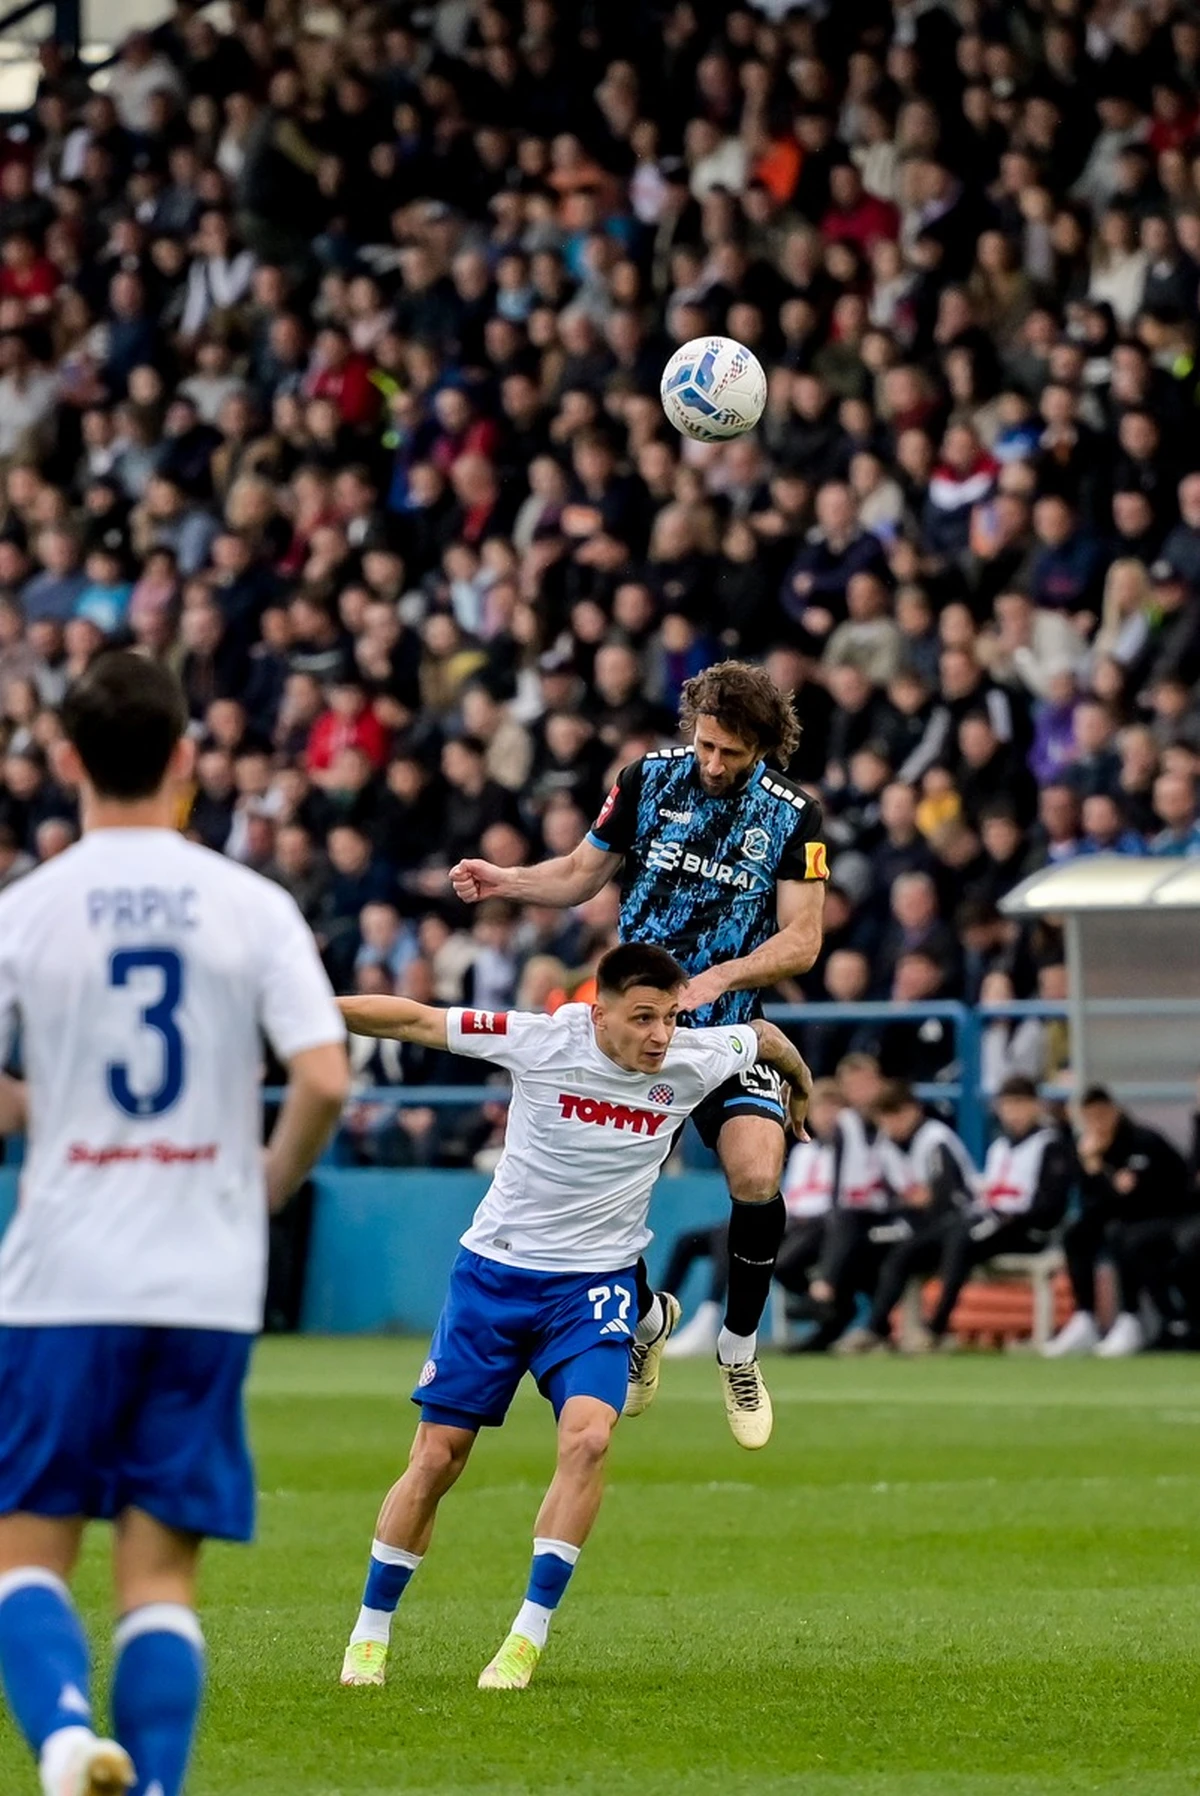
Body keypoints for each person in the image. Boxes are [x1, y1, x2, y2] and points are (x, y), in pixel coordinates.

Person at [0, 652, 349, 1796]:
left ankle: (63, 1739)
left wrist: (42, 1108)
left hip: (61, 1277)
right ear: (187, 758)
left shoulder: (28, 908)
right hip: (204, 1277)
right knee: (158, 1581)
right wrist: (265, 1185)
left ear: (66, 760)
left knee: (24, 1556)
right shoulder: (251, 904)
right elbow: (324, 1076)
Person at [334, 943, 812, 1691]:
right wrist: (302, 1013)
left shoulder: (694, 1056)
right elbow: (417, 1020)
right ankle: (370, 1631)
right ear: (599, 1015)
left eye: (670, 1017)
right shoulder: (542, 1040)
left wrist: (799, 1091)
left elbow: (766, 1038)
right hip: (494, 1278)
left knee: (588, 1440)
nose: (660, 1035)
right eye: (643, 1018)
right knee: (437, 1459)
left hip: (592, 1287)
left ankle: (526, 1637)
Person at [450, 661, 828, 1448]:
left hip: (725, 1027)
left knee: (757, 1173)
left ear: (763, 746)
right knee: (598, 1195)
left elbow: (804, 938)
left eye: (731, 752)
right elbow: (580, 875)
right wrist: (505, 880)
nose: (713, 762)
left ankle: (738, 1349)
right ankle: (648, 1316)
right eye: (706, 744)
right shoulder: (646, 779)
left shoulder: (795, 815)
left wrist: (724, 975)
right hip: (632, 1030)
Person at [893, 1077, 1074, 1352]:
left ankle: (937, 1326)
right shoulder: (999, 1146)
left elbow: (1050, 1206)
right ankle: (882, 1327)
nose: (1012, 1113)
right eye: (1007, 1105)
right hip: (988, 1219)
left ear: (1035, 1106)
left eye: (1019, 1104)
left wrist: (1015, 1217)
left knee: (960, 1238)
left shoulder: (1050, 1144)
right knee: (918, 1245)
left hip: (1024, 1229)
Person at [1045, 1086, 1192, 1358]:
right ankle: (1085, 1316)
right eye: (1090, 1118)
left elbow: (1135, 1199)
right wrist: (1092, 1170)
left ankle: (1129, 1317)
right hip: (1127, 1219)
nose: (1097, 1124)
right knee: (1077, 1234)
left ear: (1114, 1112)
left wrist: (1100, 1172)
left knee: (1123, 1236)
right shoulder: (1088, 1148)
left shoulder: (1143, 1142)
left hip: (1170, 1216)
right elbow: (1095, 1201)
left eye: (1101, 1116)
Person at [834, 1082, 977, 1354]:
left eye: (896, 1115)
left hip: (954, 1222)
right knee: (859, 1245)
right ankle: (877, 1326)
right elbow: (894, 1196)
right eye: (885, 1118)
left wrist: (917, 1199)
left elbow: (944, 1198)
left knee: (904, 1255)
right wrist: (914, 1199)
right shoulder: (887, 1146)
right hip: (914, 1223)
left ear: (913, 1111)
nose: (892, 1124)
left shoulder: (935, 1139)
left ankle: (929, 1329)